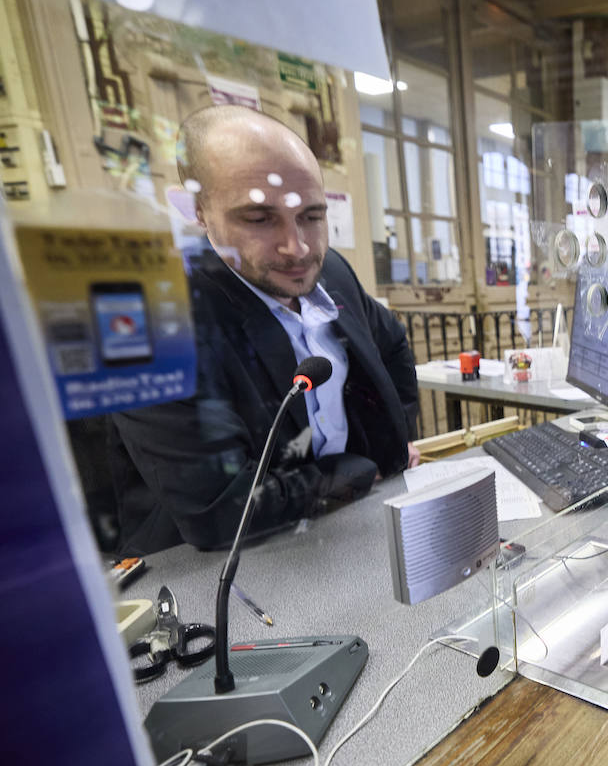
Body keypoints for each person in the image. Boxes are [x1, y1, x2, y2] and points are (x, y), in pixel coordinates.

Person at [110, 105, 420, 555]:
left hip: (340, 527)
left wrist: (394, 436)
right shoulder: (155, 322)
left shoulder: (329, 271)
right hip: (221, 565)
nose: (297, 247)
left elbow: (391, 343)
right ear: (199, 211)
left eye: (312, 216)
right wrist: (359, 473)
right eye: (258, 218)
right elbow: (221, 509)